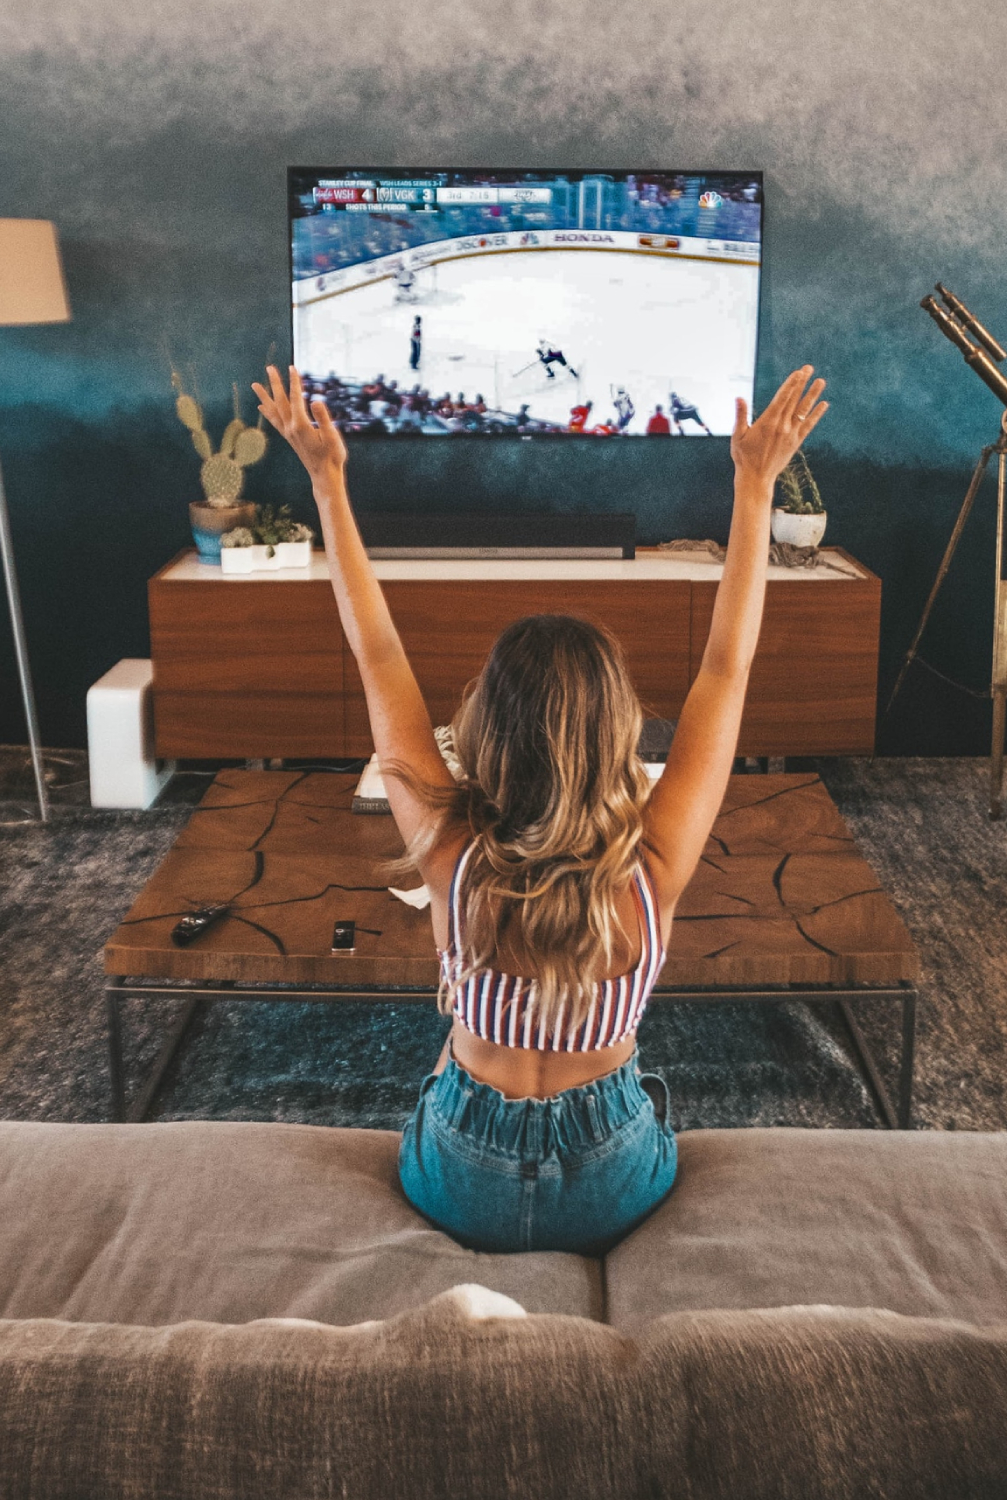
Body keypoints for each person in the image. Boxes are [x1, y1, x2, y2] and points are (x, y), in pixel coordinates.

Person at [251, 362, 828, 1254]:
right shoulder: (655, 872)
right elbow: (727, 668)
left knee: (451, 1054)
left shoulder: (452, 857)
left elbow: (376, 654)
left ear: (486, 732)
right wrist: (753, 485)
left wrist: (326, 480)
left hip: (460, 1181)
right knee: (638, 1087)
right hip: (610, 1180)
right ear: (616, 739)